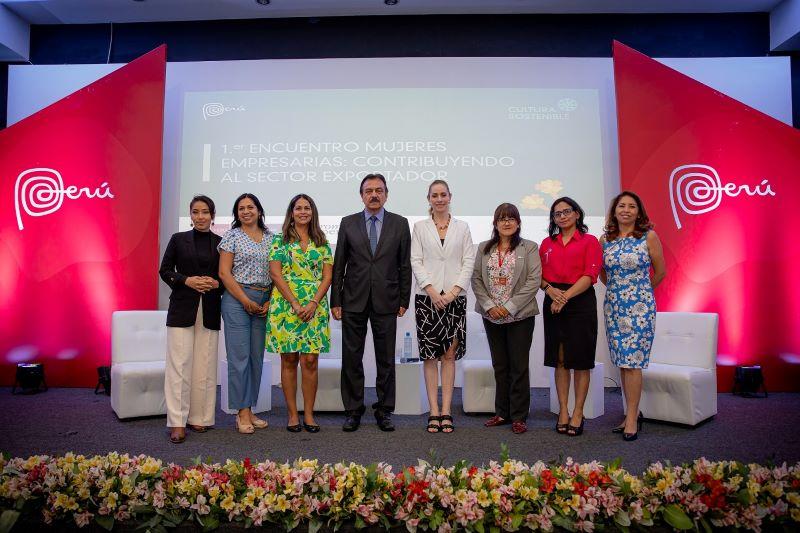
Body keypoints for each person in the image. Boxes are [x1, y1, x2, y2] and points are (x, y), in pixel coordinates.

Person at [331, 173, 412, 432]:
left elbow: (404, 265)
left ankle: (384, 410)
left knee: (385, 358)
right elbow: (339, 264)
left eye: (379, 190)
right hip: (352, 300)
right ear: (362, 195)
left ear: (386, 194)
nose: (374, 195)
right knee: (351, 357)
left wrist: (404, 299)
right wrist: (336, 300)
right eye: (369, 191)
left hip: (387, 300)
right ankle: (353, 410)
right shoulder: (348, 223)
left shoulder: (400, 224)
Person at [600, 190, 666, 441]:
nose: (626, 210)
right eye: (621, 206)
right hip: (614, 306)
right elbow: (603, 274)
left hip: (640, 308)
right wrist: (619, 290)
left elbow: (660, 272)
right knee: (622, 362)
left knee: (633, 362)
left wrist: (639, 292)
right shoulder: (604, 240)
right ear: (614, 211)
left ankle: (631, 418)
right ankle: (631, 413)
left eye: (631, 206)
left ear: (639, 212)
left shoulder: (649, 236)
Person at [410, 180, 475, 434]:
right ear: (429, 199)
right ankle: (433, 411)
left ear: (450, 196)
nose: (439, 199)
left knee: (448, 356)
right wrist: (432, 291)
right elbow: (416, 261)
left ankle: (446, 410)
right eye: (434, 195)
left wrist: (453, 292)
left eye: (443, 194)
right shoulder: (420, 227)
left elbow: (468, 261)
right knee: (429, 356)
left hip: (455, 299)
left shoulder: (463, 227)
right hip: (427, 299)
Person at [471, 203, 541, 435]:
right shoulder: (484, 248)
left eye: (511, 218)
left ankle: (519, 416)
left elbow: (533, 281)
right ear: (495, 223)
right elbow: (477, 279)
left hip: (520, 315)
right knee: (500, 365)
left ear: (518, 222)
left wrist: (509, 307)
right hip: (491, 316)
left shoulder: (529, 247)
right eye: (502, 218)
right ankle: (502, 412)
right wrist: (491, 306)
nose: (507, 222)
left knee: (518, 366)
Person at [159, 195, 223, 444]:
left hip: (209, 308)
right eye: (195, 212)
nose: (200, 216)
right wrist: (187, 280)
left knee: (205, 367)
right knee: (179, 366)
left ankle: (201, 417)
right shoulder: (178, 239)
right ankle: (176, 421)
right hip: (182, 308)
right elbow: (165, 270)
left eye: (205, 212)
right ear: (190, 215)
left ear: (212, 215)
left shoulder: (221, 243)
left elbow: (226, 276)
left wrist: (217, 283)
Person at [267, 194, 333, 433]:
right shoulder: (279, 240)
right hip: (286, 306)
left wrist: (314, 302)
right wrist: (295, 303)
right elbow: (275, 274)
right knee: (289, 359)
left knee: (310, 361)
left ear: (312, 212)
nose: (303, 212)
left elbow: (328, 276)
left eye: (307, 208)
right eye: (298, 208)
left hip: (314, 305)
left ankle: (309, 414)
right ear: (291, 212)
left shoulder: (322, 241)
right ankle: (293, 415)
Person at [539, 197, 602, 437]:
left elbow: (590, 275)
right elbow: (539, 276)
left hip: (580, 300)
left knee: (581, 360)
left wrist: (564, 297)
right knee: (561, 358)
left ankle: (578, 411)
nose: (562, 216)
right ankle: (563, 410)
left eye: (567, 212)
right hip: (552, 299)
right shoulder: (547, 243)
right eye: (557, 214)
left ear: (577, 214)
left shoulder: (589, 241)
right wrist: (550, 291)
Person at [218, 193, 273, 434]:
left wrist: (271, 300)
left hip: (264, 301)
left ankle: (249, 409)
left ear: (259, 211)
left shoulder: (273, 238)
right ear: (236, 213)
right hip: (237, 300)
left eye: (250, 207)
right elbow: (224, 274)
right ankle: (241, 413)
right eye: (241, 208)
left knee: (255, 359)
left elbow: (278, 273)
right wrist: (245, 300)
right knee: (239, 359)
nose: (246, 211)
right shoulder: (231, 237)